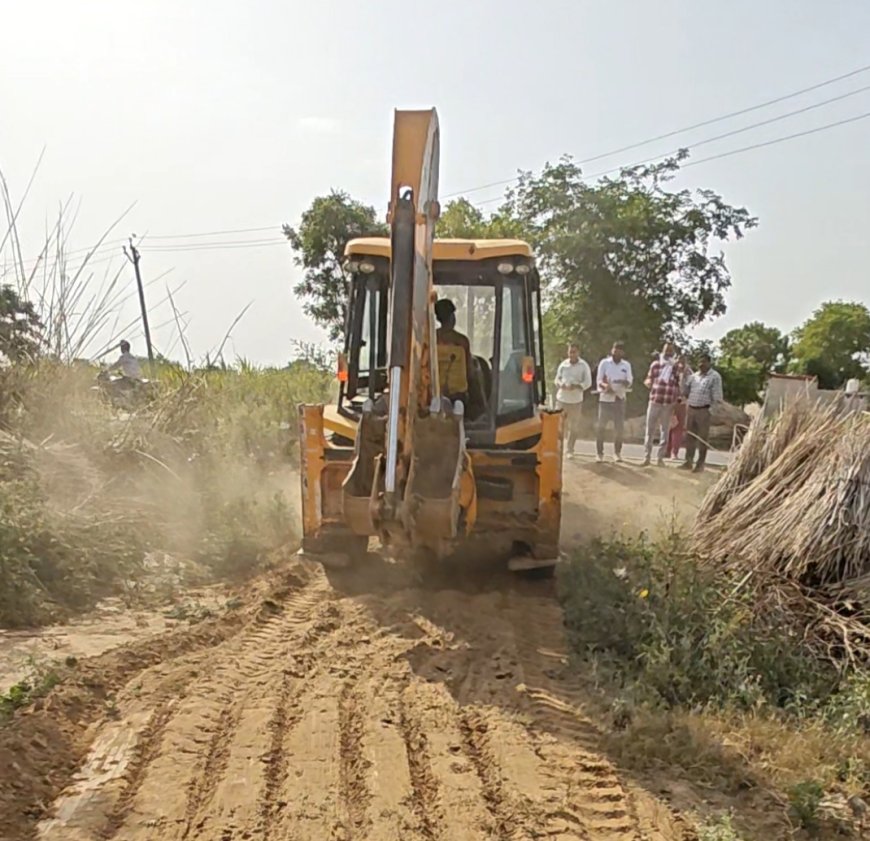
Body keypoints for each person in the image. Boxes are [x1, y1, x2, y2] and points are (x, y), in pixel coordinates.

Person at [642, 342, 688, 466]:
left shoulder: (676, 367)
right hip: (655, 400)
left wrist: (680, 364)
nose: (668, 353)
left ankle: (660, 458)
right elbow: (648, 378)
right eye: (666, 350)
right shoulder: (655, 365)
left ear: (673, 353)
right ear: (662, 351)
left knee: (665, 431)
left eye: (670, 351)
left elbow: (681, 379)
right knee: (649, 430)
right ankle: (647, 457)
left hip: (668, 403)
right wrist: (648, 382)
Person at [680, 354, 724, 473]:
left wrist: (710, 411)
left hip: (704, 410)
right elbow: (684, 391)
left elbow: (717, 397)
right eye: (699, 362)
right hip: (691, 409)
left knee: (702, 438)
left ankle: (700, 464)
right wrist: (682, 377)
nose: (701, 364)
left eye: (704, 362)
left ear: (709, 363)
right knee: (689, 437)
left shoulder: (715, 377)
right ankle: (688, 461)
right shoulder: (694, 376)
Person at [596, 341, 633, 463]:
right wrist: (606, 386)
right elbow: (599, 380)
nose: (616, 352)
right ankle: (599, 453)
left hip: (619, 399)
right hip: (605, 399)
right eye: (615, 349)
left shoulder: (626, 365)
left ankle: (617, 453)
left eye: (619, 350)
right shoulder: (604, 363)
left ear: (623, 352)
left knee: (619, 428)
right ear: (612, 350)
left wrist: (623, 382)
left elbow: (629, 380)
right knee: (601, 427)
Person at [554, 343, 592, 458]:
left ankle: (570, 449)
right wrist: (561, 384)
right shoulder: (563, 364)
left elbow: (588, 382)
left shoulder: (583, 365)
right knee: (558, 425)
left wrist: (577, 386)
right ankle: (557, 448)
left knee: (574, 427)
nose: (571, 354)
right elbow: (557, 379)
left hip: (576, 401)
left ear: (578, 353)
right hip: (562, 399)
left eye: (574, 352)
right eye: (570, 352)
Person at [434, 298, 474, 405]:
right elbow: (469, 374)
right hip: (458, 398)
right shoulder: (462, 341)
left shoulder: (431, 339)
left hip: (434, 396)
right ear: (452, 317)